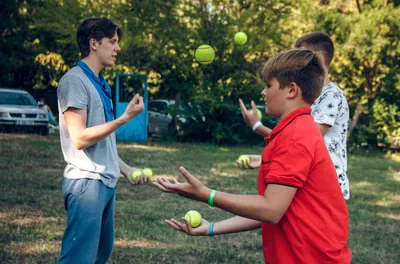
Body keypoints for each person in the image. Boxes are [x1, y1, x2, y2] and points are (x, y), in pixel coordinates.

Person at [153, 49, 351, 264]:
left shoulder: (296, 136)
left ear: (291, 90)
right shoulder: (294, 130)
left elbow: (271, 210)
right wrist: (210, 228)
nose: (263, 93)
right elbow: (274, 209)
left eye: (268, 85)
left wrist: (206, 194)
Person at [57, 17, 148, 263]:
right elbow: (79, 138)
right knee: (78, 259)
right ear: (94, 43)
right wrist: (124, 118)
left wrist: (126, 170)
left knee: (100, 254)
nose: (118, 48)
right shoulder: (74, 81)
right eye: (113, 41)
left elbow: (102, 144)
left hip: (106, 182)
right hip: (86, 183)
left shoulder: (99, 83)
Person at [239, 32, 350, 200]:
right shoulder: (308, 95)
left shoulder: (332, 95)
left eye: (301, 55)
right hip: (307, 175)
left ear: (318, 58)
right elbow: (296, 145)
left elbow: (304, 140)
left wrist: (257, 126)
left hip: (326, 183)